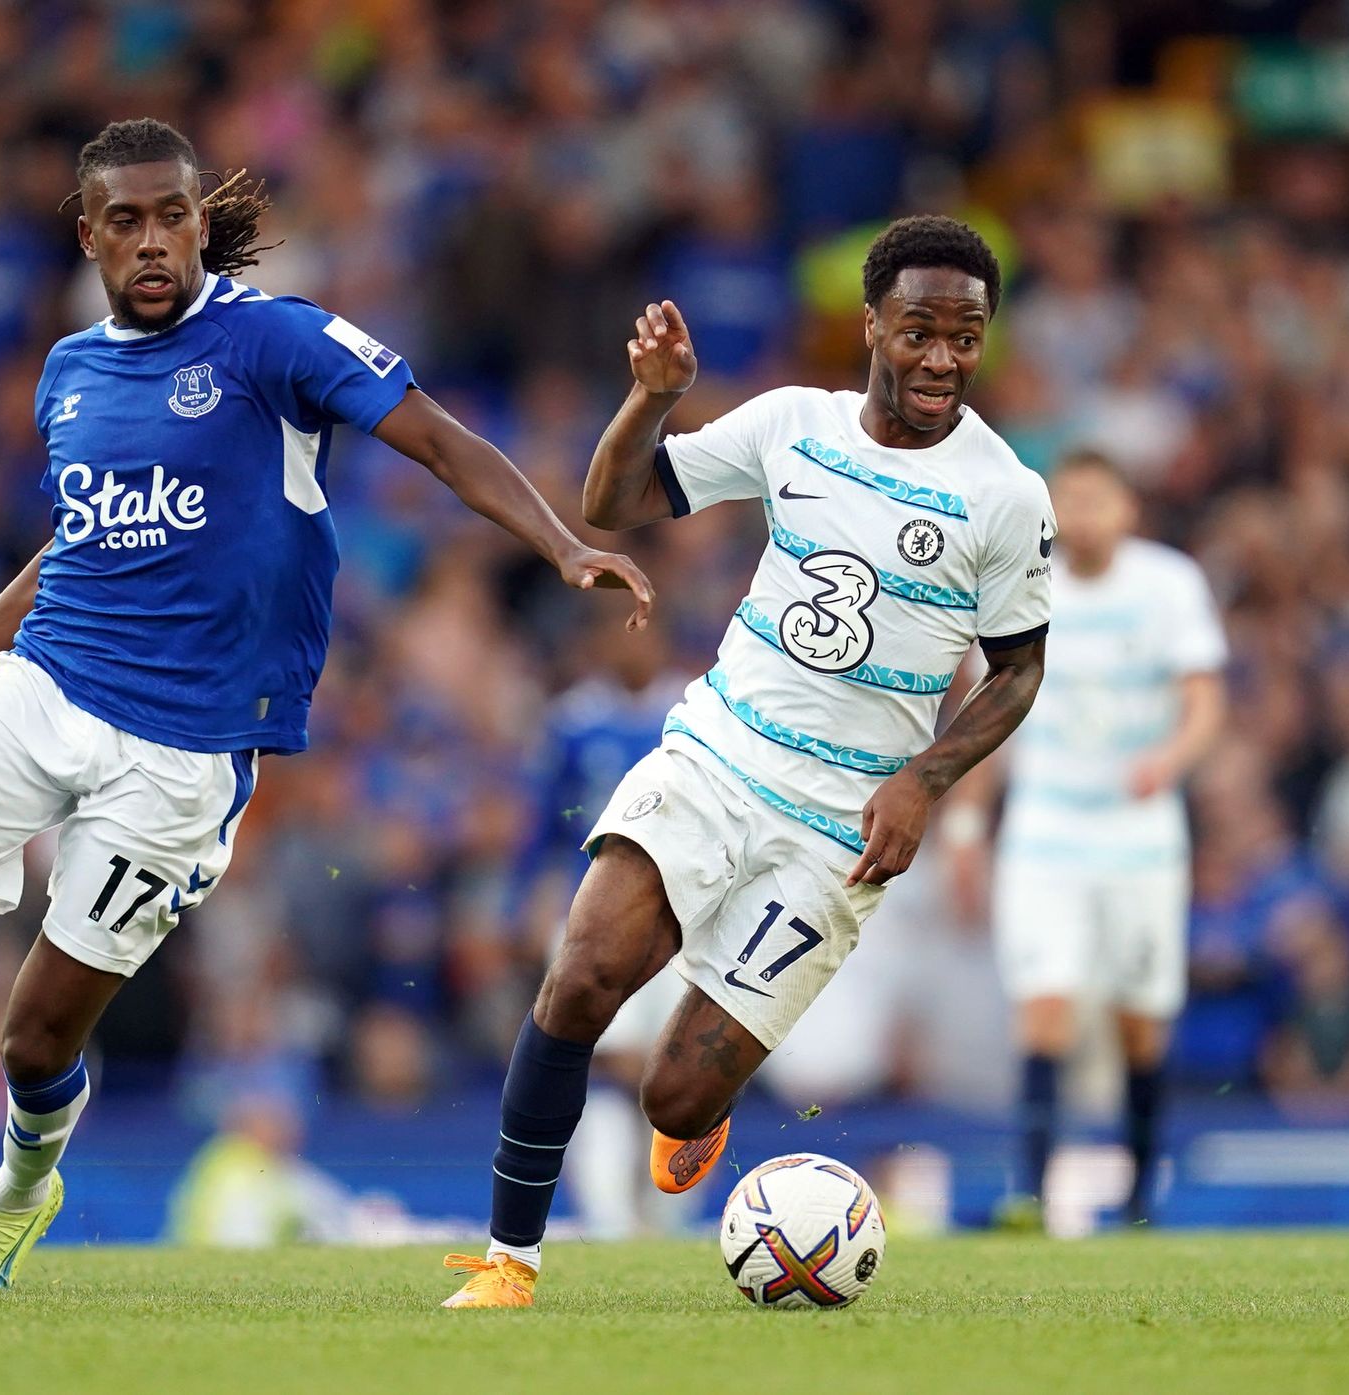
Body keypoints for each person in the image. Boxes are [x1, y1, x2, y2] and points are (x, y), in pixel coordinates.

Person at [0, 117, 652, 1290]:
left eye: (172, 216)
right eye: (126, 221)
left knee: (33, 1038)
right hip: (44, 688)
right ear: (90, 234)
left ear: (201, 223)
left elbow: (443, 443)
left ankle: (19, 1186)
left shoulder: (275, 341)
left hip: (182, 750)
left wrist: (562, 546)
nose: (152, 240)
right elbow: (75, 546)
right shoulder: (69, 372)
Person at [444, 215, 1055, 1308]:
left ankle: (700, 1104)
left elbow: (1015, 672)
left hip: (838, 830)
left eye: (965, 336)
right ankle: (509, 1261)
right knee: (580, 977)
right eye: (919, 330)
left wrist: (920, 779)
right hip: (718, 757)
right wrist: (651, 401)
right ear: (870, 324)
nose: (940, 358)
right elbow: (609, 505)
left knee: (671, 1100)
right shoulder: (790, 425)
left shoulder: (1002, 494)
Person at [946, 449, 1225, 1228]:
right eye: (1068, 499)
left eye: (1098, 498)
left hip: (1140, 836)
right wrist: (967, 829)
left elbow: (1204, 700)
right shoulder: (1019, 586)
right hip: (1046, 831)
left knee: (1140, 1022)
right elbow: (987, 719)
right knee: (1045, 1013)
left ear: (1127, 508)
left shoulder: (1169, 585)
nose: (1082, 514)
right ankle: (1029, 1195)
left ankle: (1139, 1200)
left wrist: (1169, 759)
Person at [511, 606, 693, 1239]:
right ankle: (612, 1221)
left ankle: (670, 1218)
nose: (630, 646)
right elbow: (540, 825)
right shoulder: (572, 723)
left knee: (677, 1069)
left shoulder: (695, 712)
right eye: (615, 630)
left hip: (681, 915)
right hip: (586, 909)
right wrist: (526, 901)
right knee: (604, 1061)